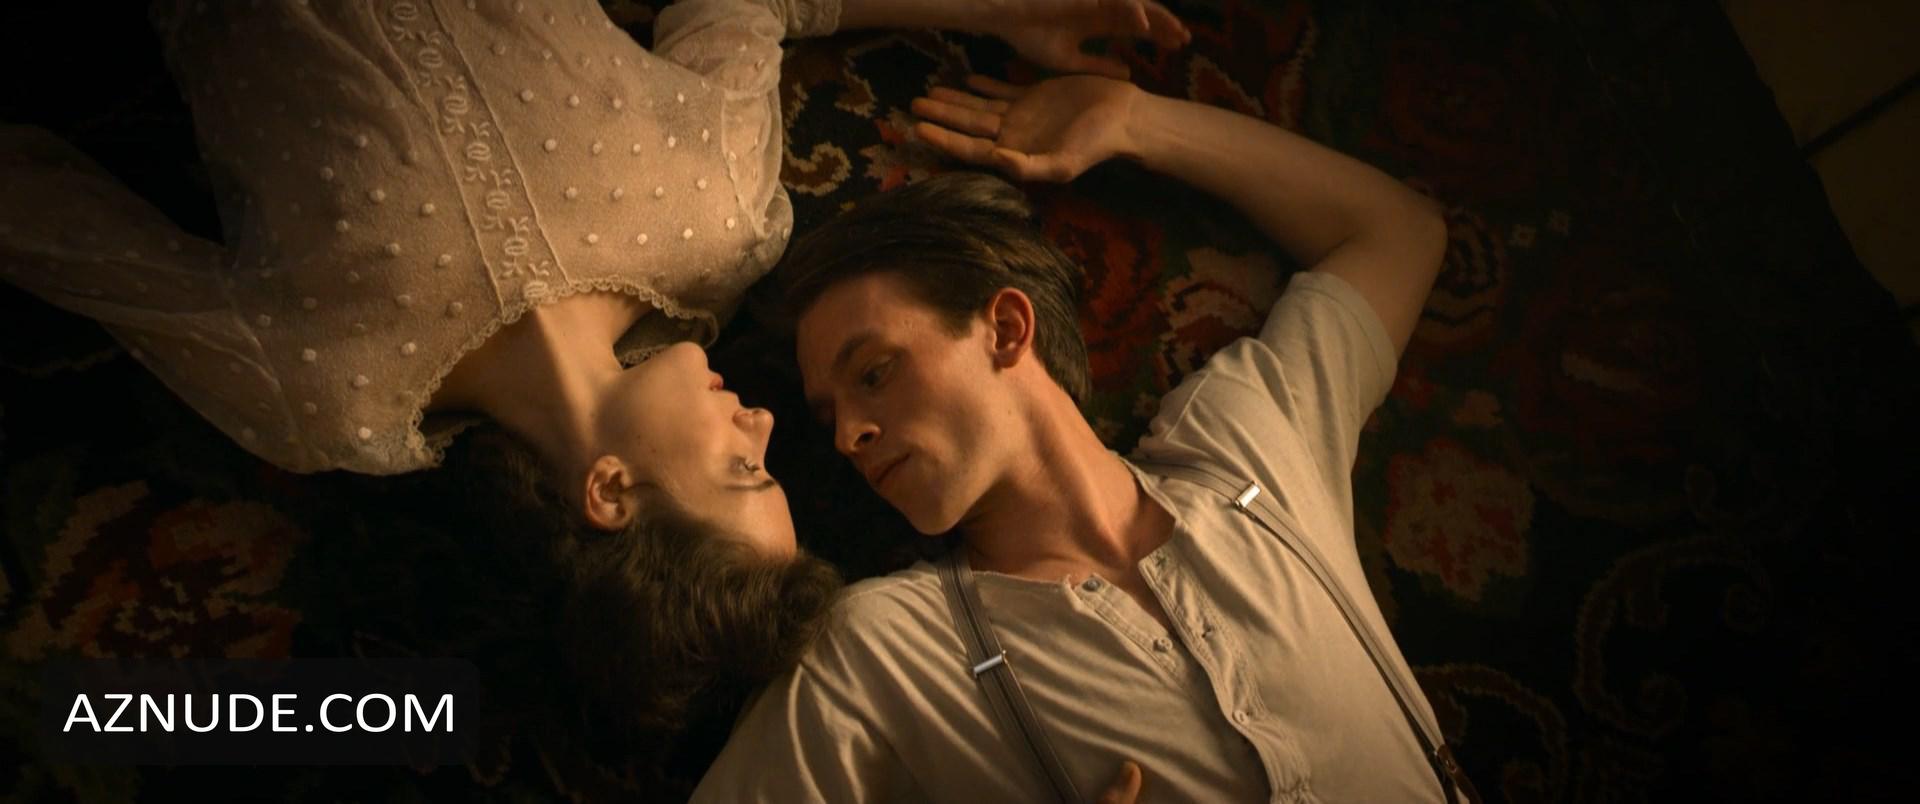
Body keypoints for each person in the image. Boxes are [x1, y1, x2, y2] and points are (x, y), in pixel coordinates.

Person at [0, 0, 1189, 744]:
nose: (766, 422)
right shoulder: (724, 227)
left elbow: (40, 209)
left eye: (743, 472)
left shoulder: (325, 402)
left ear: (611, 492)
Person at [692, 69, 1463, 801]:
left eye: (874, 373)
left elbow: (1398, 229)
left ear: (1005, 327)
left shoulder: (1245, 442)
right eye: (829, 417)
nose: (848, 438)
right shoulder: (874, 655)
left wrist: (1134, 119)